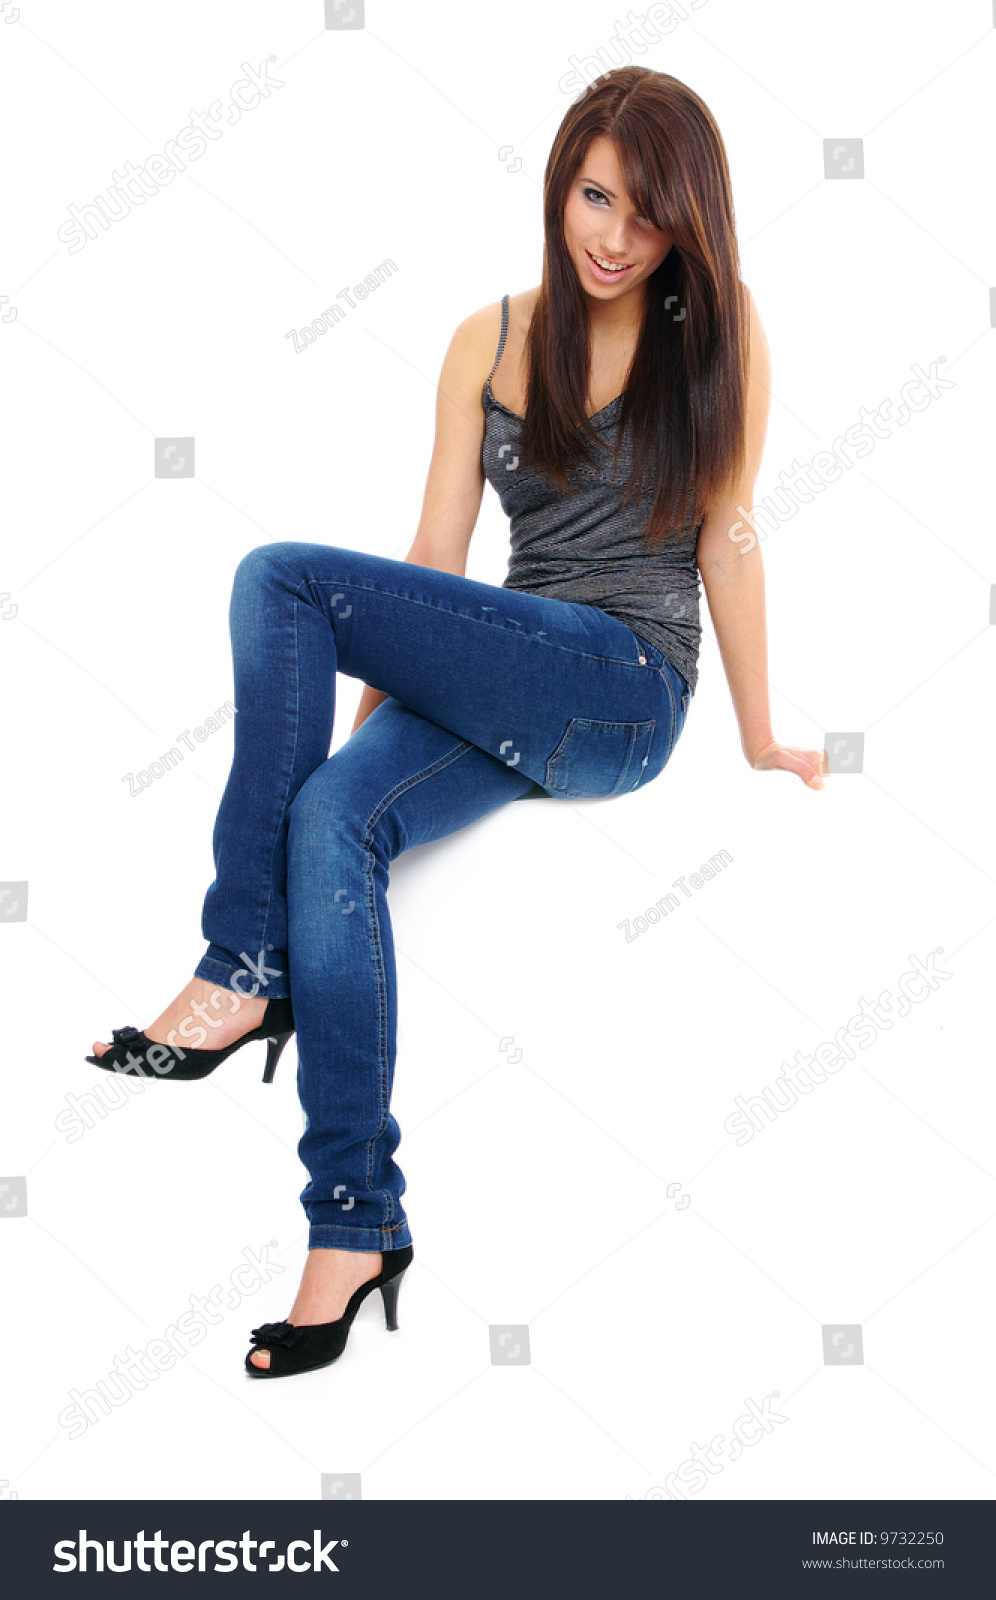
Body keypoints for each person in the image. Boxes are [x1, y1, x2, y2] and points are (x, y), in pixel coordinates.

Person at [86, 67, 826, 1381]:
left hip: (623, 686)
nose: (615, 237)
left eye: (650, 218)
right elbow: (436, 559)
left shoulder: (722, 331)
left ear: (686, 229)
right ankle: (355, 1227)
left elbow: (734, 531)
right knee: (330, 816)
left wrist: (763, 736)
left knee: (281, 576)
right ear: (560, 185)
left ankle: (240, 968)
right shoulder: (483, 341)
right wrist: (383, 739)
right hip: (503, 665)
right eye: (598, 197)